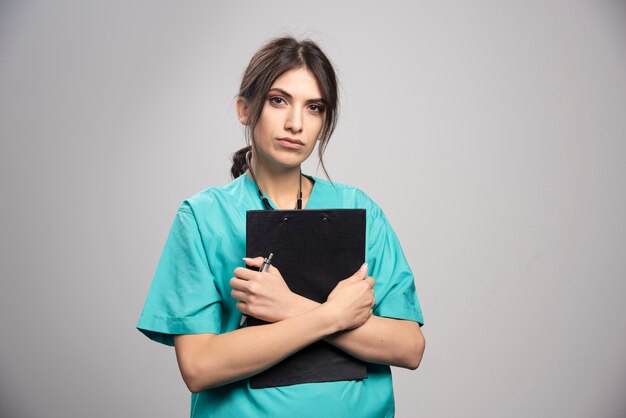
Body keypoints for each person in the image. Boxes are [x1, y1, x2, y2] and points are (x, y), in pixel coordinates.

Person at [137, 36, 425, 418]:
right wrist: (330, 315)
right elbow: (199, 367)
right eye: (278, 100)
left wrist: (289, 306)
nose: (295, 123)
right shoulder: (203, 217)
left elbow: (409, 347)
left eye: (314, 107)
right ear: (245, 108)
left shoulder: (358, 208)